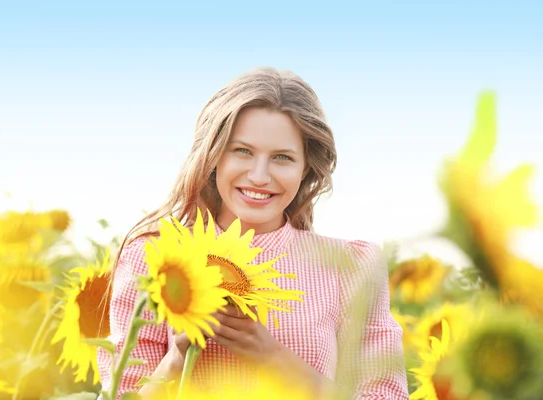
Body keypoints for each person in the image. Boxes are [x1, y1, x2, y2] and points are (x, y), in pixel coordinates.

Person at [97, 67, 409, 399]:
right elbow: (121, 393)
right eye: (242, 151)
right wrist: (176, 358)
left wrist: (273, 357)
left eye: (282, 158)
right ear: (214, 155)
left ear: (306, 168)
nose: (259, 176)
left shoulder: (350, 266)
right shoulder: (152, 258)